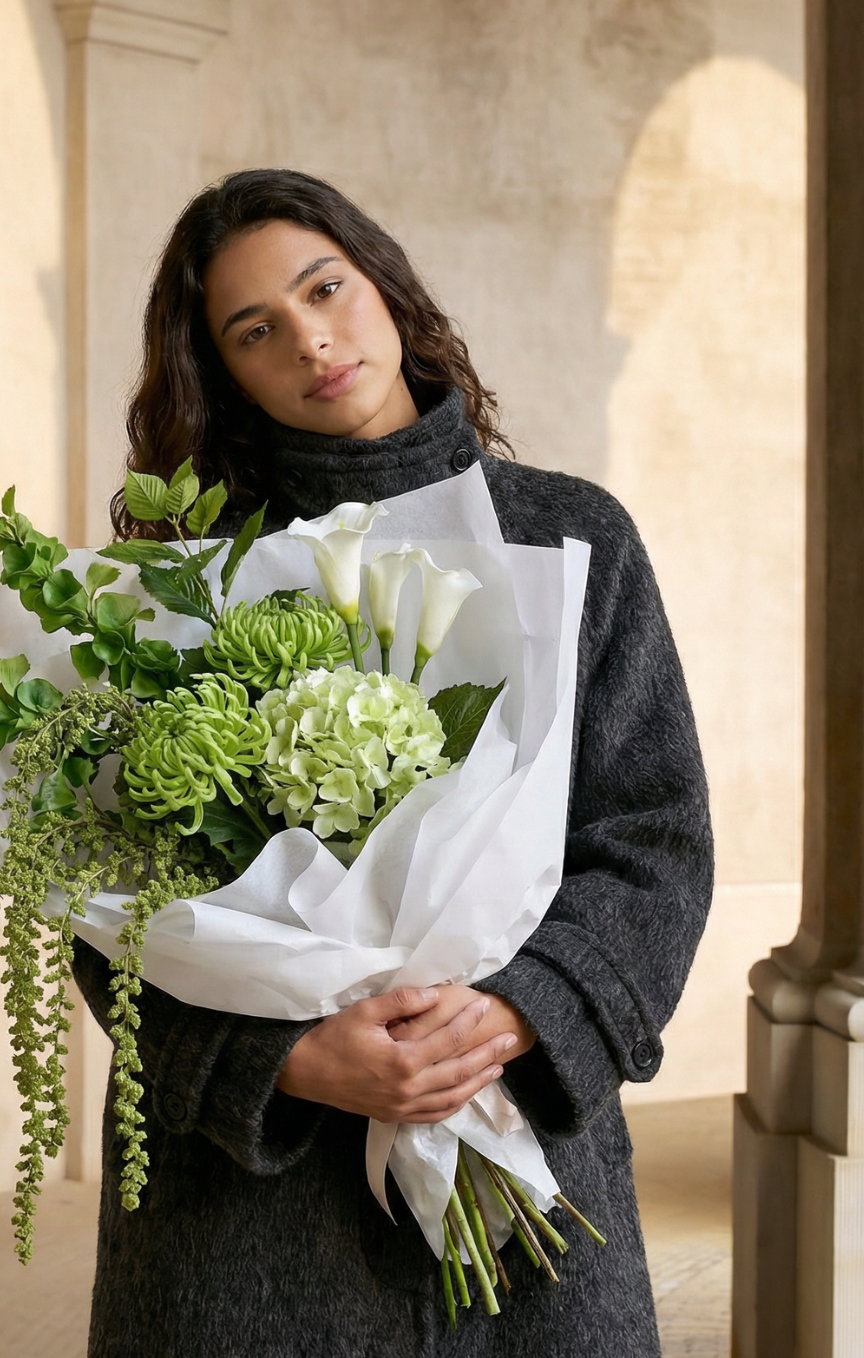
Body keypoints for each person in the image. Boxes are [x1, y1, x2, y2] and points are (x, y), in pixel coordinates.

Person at [69, 167, 713, 1357]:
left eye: (328, 289)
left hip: (524, 1145)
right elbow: (108, 906)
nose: (311, 339)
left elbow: (654, 837)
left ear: (388, 291)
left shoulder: (574, 537)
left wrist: (514, 1015)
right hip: (244, 1215)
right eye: (255, 329)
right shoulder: (177, 588)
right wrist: (290, 1054)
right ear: (224, 372)